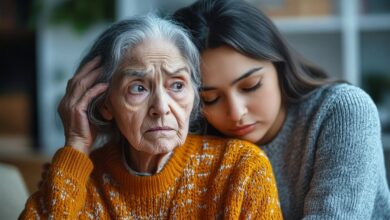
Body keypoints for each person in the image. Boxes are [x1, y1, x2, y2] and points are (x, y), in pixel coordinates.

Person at [19, 15, 282, 219]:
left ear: (194, 96)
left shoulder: (241, 168)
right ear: (106, 103)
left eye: (177, 85)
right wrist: (75, 143)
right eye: (138, 88)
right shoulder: (81, 181)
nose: (162, 107)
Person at [173, 0, 390, 219]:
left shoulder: (342, 111)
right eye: (211, 99)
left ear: (279, 63)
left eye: (251, 85)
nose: (237, 113)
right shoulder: (195, 139)